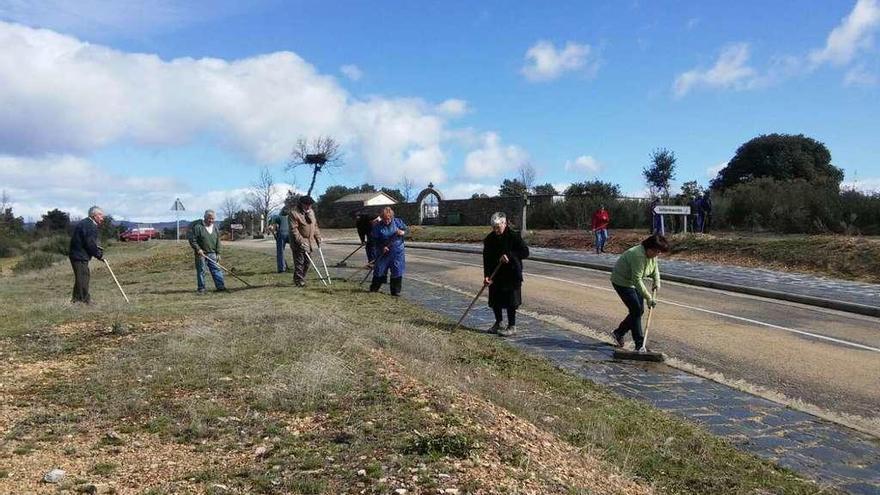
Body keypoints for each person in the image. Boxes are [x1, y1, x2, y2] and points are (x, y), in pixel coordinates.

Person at [610, 234, 669, 351]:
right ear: (649, 248)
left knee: (638, 311)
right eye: (657, 251)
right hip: (622, 282)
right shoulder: (637, 255)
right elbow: (636, 279)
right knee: (636, 310)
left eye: (660, 252)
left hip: (634, 281)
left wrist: (657, 281)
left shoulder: (652, 255)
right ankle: (639, 344)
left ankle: (619, 332)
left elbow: (655, 268)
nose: (659, 254)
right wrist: (648, 297)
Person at [483, 212, 530, 336]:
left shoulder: (514, 236)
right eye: (493, 227)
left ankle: (511, 326)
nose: (496, 230)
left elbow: (525, 252)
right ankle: (499, 323)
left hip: (511, 274)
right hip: (495, 274)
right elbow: (486, 259)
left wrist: (510, 256)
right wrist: (487, 276)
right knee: (495, 300)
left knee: (511, 301)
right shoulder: (489, 239)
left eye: (498, 227)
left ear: (504, 223)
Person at [69, 206, 105, 303]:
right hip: (79, 255)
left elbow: (91, 242)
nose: (102, 218)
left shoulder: (87, 223)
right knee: (83, 277)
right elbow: (90, 243)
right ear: (94, 215)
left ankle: (76, 300)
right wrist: (98, 255)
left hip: (78, 254)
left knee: (81, 276)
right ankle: (84, 300)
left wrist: (98, 252)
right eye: (101, 215)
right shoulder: (89, 225)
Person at [369, 207, 408, 296]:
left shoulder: (398, 222)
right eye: (384, 219)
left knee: (397, 270)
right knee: (379, 269)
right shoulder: (378, 226)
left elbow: (407, 230)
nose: (387, 221)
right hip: (383, 252)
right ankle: (374, 288)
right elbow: (374, 239)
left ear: (391, 217)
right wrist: (382, 246)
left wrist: (402, 232)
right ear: (381, 218)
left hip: (397, 252)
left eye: (388, 219)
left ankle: (395, 291)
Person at [188, 210, 226, 294]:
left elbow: (218, 241)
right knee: (201, 271)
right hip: (201, 254)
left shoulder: (215, 227)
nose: (211, 220)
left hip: (213, 253)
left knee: (216, 269)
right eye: (210, 218)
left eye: (213, 219)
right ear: (205, 217)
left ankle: (220, 287)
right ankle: (201, 288)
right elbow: (193, 240)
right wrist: (198, 249)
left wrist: (218, 253)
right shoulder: (198, 227)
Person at [289, 196, 321, 287]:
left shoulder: (311, 212)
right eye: (306, 205)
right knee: (300, 262)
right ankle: (299, 281)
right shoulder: (294, 213)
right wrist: (301, 241)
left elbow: (315, 226)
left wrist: (318, 237)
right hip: (298, 242)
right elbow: (294, 230)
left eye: (310, 205)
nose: (308, 207)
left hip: (309, 242)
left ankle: (300, 278)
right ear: (301, 204)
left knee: (307, 262)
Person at [269, 207, 291, 273]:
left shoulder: (278, 217)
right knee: (295, 249)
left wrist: (271, 227)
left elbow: (273, 221)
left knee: (280, 251)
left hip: (281, 234)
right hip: (290, 234)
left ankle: (281, 269)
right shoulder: (290, 218)